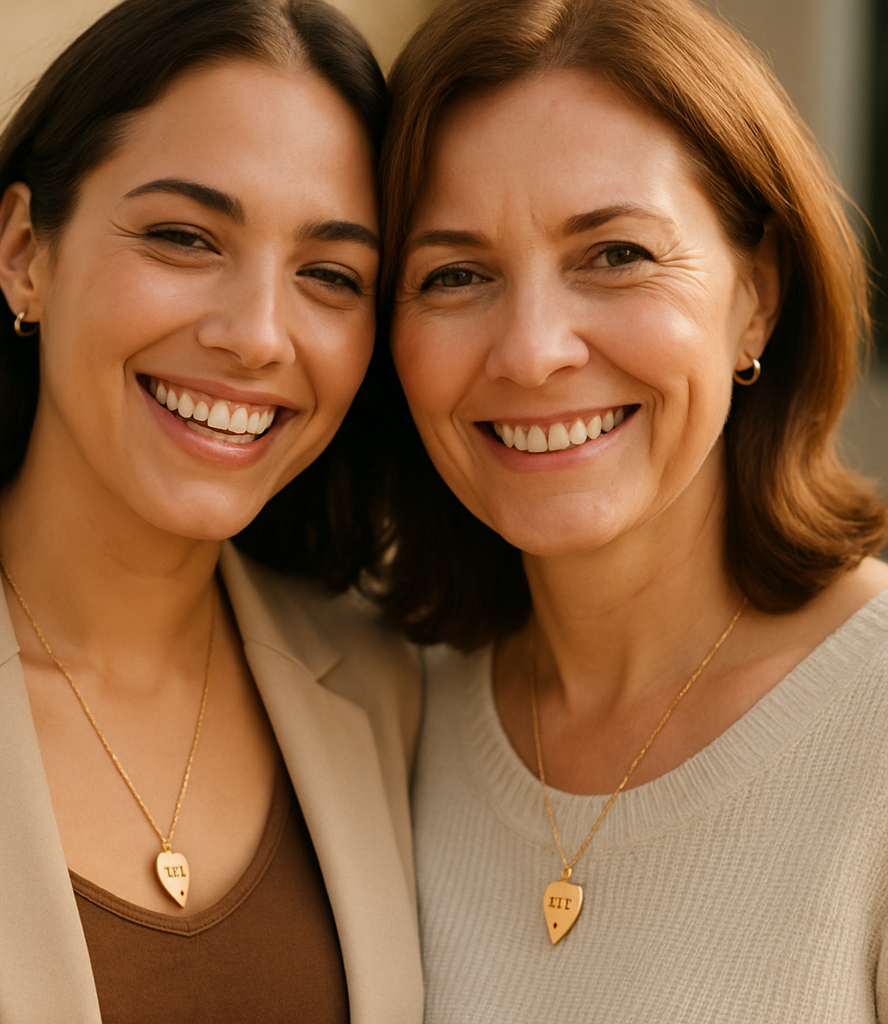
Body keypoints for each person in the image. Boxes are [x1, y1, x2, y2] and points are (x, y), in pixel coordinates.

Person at [0, 1, 423, 1021]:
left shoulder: (390, 689)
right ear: (26, 249)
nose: (256, 335)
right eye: (182, 237)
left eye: (330, 274)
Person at [376, 0, 888, 1019]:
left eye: (615, 254)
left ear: (757, 295)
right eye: (455, 273)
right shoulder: (380, 707)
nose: (530, 350)